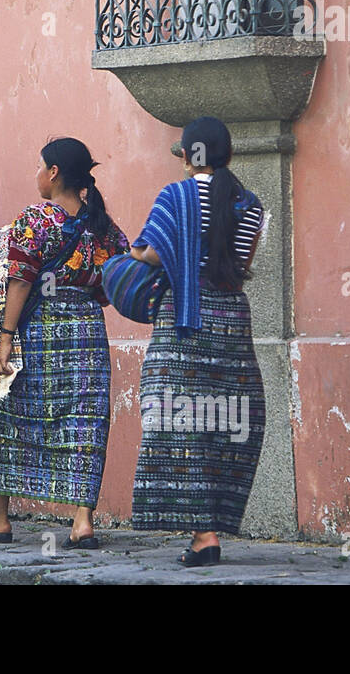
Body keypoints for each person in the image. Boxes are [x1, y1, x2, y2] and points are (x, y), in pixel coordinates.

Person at [0, 138, 128, 548]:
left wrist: (5, 338)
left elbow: (20, 280)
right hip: (88, 335)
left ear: (54, 172)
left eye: (40, 166)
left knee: (15, 416)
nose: (37, 174)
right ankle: (82, 522)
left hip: (39, 334)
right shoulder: (105, 227)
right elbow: (115, 283)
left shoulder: (35, 220)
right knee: (85, 422)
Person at [128, 116, 267, 566]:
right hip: (230, 319)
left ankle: (204, 534)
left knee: (173, 417)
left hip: (184, 321)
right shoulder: (251, 205)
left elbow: (151, 252)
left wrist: (130, 255)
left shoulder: (176, 196)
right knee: (220, 420)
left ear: (188, 156)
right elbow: (242, 261)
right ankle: (209, 531)